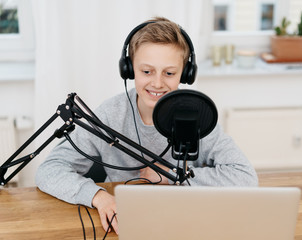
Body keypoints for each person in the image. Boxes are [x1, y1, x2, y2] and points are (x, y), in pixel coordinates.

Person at [36, 17, 258, 235]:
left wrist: (169, 176)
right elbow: (50, 170)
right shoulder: (110, 114)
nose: (158, 83)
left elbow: (245, 177)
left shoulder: (196, 114)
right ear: (130, 69)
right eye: (146, 71)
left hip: (186, 220)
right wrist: (99, 197)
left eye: (169, 73)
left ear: (186, 73)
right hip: (124, 222)